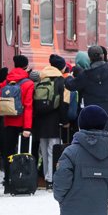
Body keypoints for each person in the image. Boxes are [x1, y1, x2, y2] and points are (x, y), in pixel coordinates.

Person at [65, 45, 108, 133]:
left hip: (94, 121)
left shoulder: (85, 75)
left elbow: (70, 86)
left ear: (90, 58)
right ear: (102, 56)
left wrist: (68, 77)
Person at [1, 55, 35, 193]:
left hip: (8, 121)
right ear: (26, 66)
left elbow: (0, 101)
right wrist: (27, 127)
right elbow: (28, 106)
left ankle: (8, 182)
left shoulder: (6, 81)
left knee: (8, 153)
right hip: (22, 123)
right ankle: (22, 181)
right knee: (23, 154)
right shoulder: (28, 83)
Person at [35, 55, 69, 189]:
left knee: (43, 150)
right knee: (52, 150)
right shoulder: (61, 81)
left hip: (41, 121)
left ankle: (45, 176)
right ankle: (51, 178)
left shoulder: (41, 79)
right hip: (54, 121)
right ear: (61, 67)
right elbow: (63, 104)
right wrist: (64, 120)